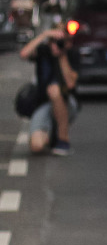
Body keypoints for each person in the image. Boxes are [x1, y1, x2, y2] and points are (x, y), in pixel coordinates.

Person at [19, 23, 80, 156]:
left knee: (54, 90)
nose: (56, 44)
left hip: (66, 102)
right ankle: (50, 135)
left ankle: (63, 140)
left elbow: (70, 84)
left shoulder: (71, 54)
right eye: (53, 40)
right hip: (44, 104)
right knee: (36, 146)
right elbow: (24, 54)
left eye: (59, 40)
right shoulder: (43, 51)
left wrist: (62, 55)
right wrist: (44, 35)